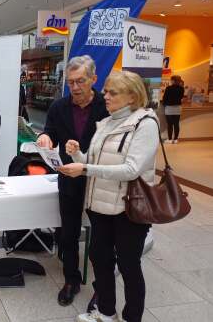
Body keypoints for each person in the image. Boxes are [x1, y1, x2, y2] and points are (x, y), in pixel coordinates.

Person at [60, 71, 159, 322]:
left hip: (129, 209)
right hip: (100, 206)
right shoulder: (106, 123)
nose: (105, 96)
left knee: (128, 266)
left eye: (112, 92)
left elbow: (131, 169)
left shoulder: (145, 123)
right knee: (100, 261)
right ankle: (105, 312)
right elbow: (93, 162)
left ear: (132, 96)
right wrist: (77, 155)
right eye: (106, 91)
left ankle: (131, 317)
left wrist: (84, 169)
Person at [36, 55, 109, 308]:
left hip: (100, 181)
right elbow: (50, 131)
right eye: (71, 82)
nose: (75, 87)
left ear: (94, 79)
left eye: (81, 81)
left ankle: (103, 289)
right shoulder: (59, 107)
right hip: (68, 179)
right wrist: (45, 137)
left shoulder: (107, 105)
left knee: (101, 239)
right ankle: (71, 279)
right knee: (68, 233)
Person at [162, 75, 184, 144]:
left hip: (169, 108)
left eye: (171, 80)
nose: (170, 81)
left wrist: (164, 103)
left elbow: (165, 98)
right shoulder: (181, 88)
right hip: (178, 108)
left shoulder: (168, 88)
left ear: (173, 80)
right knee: (176, 124)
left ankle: (170, 139)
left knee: (170, 124)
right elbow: (181, 97)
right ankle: (176, 139)